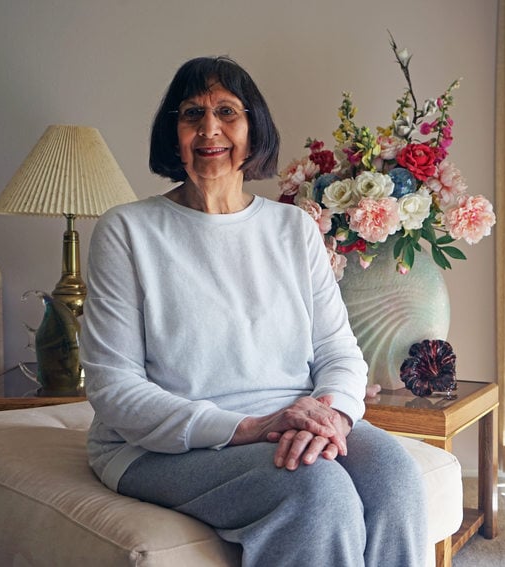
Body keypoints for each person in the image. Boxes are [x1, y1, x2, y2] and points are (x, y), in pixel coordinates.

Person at [81, 56, 428, 567]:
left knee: (395, 477)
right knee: (317, 491)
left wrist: (331, 414)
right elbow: (114, 389)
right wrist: (251, 427)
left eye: (227, 112)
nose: (209, 129)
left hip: (292, 416)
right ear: (172, 133)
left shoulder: (293, 229)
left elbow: (338, 350)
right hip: (161, 445)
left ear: (253, 128)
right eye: (191, 114)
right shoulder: (127, 231)